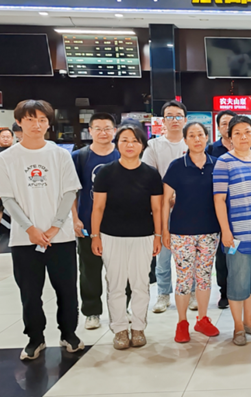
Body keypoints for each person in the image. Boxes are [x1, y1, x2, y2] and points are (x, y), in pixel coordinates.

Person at [0, 100, 83, 360]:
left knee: (67, 290)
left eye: (42, 120)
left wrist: (55, 226)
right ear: (19, 122)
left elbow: (69, 192)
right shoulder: (7, 158)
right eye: (30, 119)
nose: (36, 125)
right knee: (30, 293)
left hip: (61, 237)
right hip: (24, 239)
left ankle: (69, 334)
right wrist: (30, 228)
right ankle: (35, 338)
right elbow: (7, 198)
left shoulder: (60, 154)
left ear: (48, 123)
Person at [91, 125, 163, 350]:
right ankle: (120, 329)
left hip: (144, 236)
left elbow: (157, 209)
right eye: (124, 140)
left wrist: (158, 235)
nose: (129, 145)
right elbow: (98, 207)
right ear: (117, 143)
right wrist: (95, 236)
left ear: (142, 145)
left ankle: (139, 328)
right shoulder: (106, 172)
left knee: (141, 284)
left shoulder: (151, 174)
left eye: (135, 140)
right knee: (116, 285)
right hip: (111, 235)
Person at [213, 115, 251, 346]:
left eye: (247, 131)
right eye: (237, 133)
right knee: (237, 282)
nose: (243, 136)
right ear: (230, 137)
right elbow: (219, 200)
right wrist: (226, 231)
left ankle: (249, 321)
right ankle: (238, 326)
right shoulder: (224, 162)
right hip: (237, 235)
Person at [162, 122, 221, 343]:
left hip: (210, 231)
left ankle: (202, 319)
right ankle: (182, 322)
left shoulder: (217, 164)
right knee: (184, 278)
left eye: (200, 135)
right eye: (192, 136)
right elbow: (165, 201)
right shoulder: (177, 166)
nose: (197, 139)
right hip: (181, 232)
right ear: (185, 140)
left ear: (207, 137)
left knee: (204, 277)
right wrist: (164, 230)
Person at [70, 113, 120, 331]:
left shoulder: (122, 154)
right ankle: (92, 312)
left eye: (107, 128)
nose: (103, 132)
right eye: (97, 128)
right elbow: (70, 191)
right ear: (89, 131)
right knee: (89, 270)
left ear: (114, 131)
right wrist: (75, 218)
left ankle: (122, 309)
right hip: (88, 224)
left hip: (119, 225)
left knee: (121, 271)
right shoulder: (79, 157)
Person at [143, 100, 190, 314]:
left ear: (185, 119)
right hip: (162, 207)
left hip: (189, 207)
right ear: (163, 120)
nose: (174, 120)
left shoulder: (191, 142)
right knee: (163, 253)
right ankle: (163, 294)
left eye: (178, 116)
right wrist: (167, 197)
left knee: (189, 253)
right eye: (169, 116)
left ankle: (190, 291)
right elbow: (148, 176)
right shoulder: (154, 146)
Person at [207, 111, 237, 310]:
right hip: (218, 208)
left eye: (231, 123)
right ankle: (224, 292)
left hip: (240, 208)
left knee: (239, 253)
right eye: (224, 123)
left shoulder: (248, 148)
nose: (228, 127)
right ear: (218, 127)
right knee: (223, 253)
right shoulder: (211, 149)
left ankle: (240, 289)